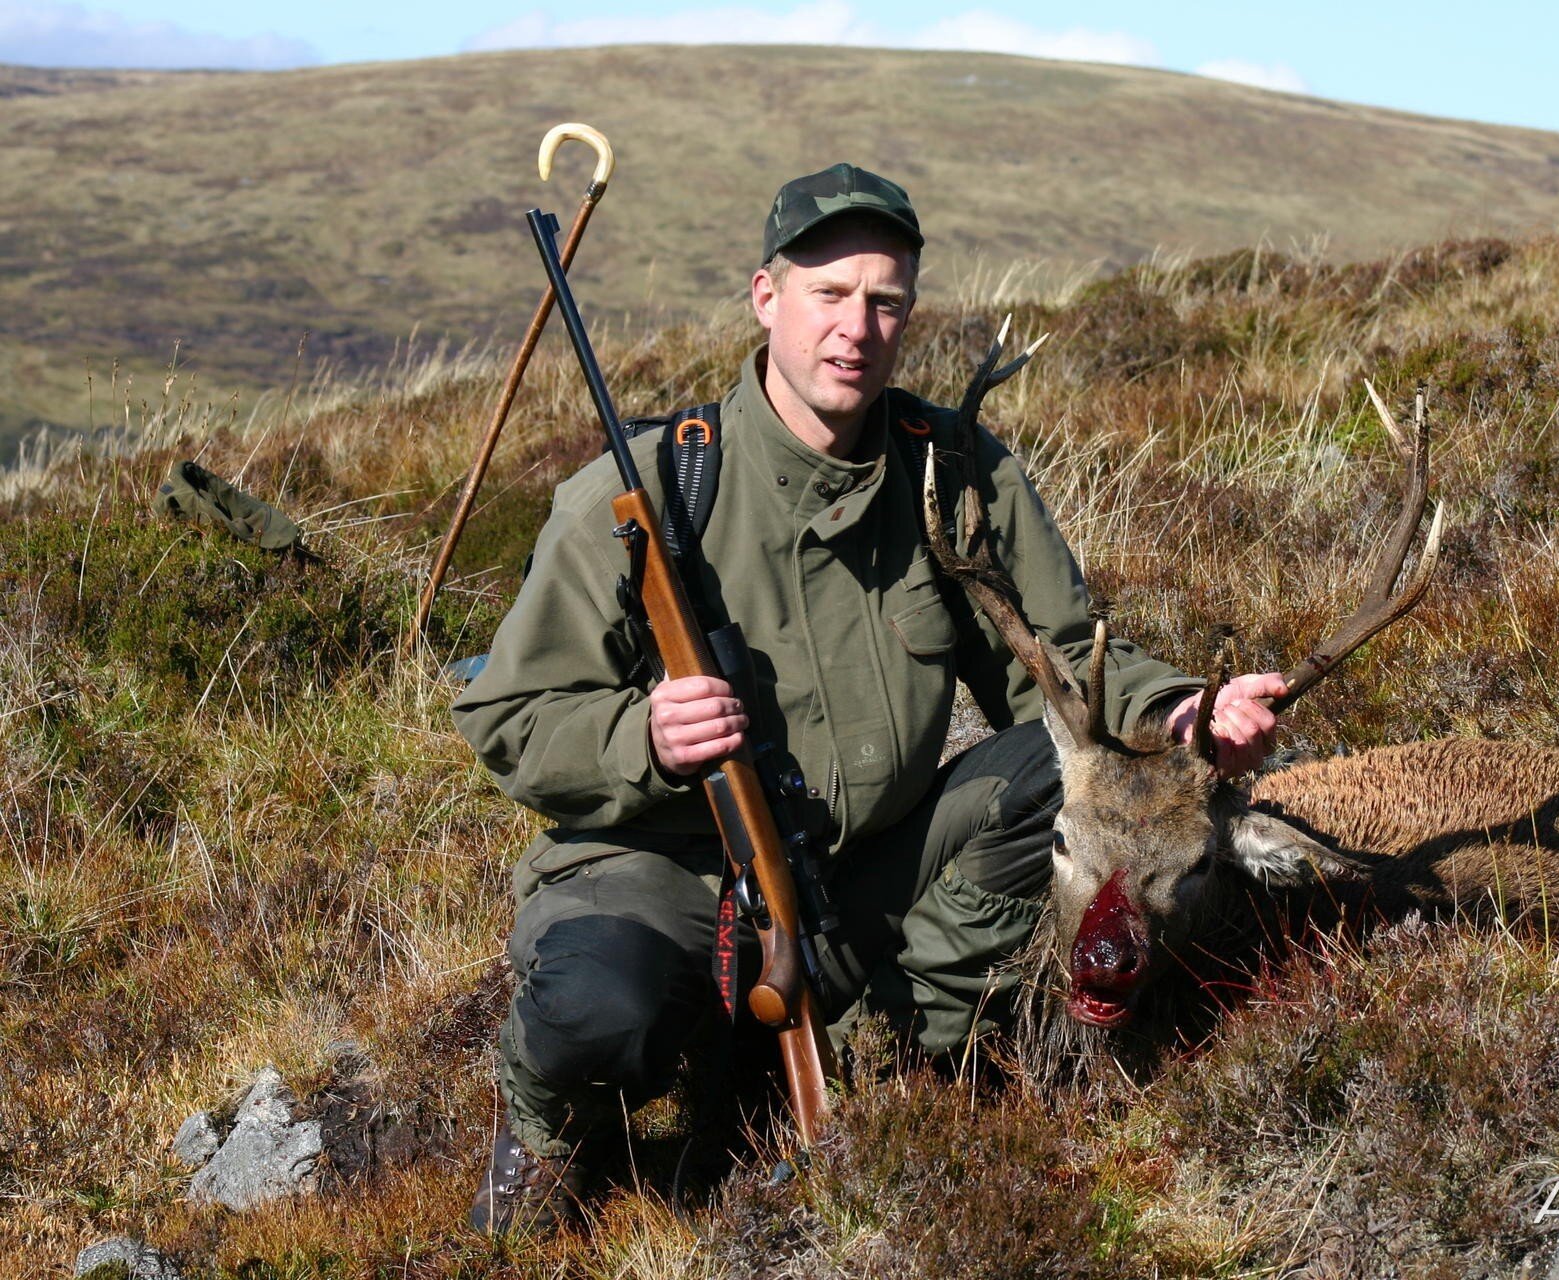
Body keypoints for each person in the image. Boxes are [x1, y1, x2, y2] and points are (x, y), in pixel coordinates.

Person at [452, 162, 1289, 1235]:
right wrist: (643, 737)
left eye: (885, 300)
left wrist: (1184, 713)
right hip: (657, 865)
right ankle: (546, 1127)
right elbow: (507, 715)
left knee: (1050, 770)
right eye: (829, 293)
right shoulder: (643, 492)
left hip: (855, 876)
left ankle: (892, 1044)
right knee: (593, 1014)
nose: (857, 326)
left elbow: (1067, 665)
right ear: (767, 298)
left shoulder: (951, 472)